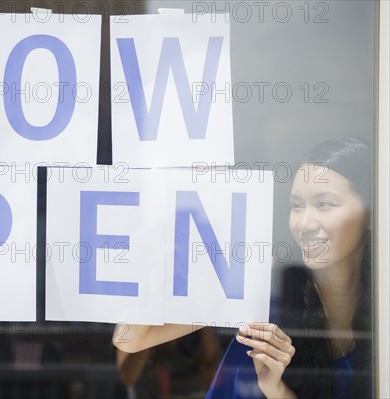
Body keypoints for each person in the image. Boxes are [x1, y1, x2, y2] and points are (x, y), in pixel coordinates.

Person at [113, 137, 373, 398]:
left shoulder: (377, 311)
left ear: (372, 213)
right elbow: (130, 338)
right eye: (296, 206)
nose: (304, 223)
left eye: (324, 204)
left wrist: (275, 388)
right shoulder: (261, 280)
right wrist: (165, 239)